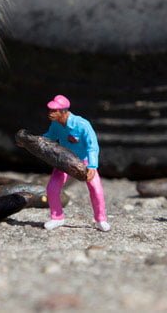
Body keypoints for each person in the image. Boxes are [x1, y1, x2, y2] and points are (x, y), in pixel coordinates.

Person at [42, 94, 109, 232]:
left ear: (64, 112)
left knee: (96, 188)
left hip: (84, 161)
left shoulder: (82, 125)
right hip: (64, 160)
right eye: (50, 110)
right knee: (52, 188)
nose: (50, 113)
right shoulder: (55, 124)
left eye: (54, 111)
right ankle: (57, 217)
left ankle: (100, 219)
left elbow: (92, 146)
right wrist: (33, 141)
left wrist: (92, 166)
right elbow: (49, 137)